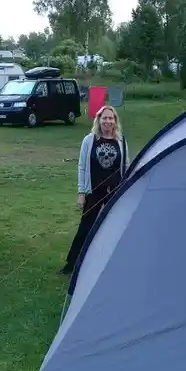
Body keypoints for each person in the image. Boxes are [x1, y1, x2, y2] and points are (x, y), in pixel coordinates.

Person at [59, 104, 128, 275]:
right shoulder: (89, 140)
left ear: (115, 121)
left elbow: (126, 166)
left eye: (111, 118)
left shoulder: (121, 141)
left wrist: (126, 190)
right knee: (85, 228)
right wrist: (81, 192)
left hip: (114, 192)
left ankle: (110, 262)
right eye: (104, 118)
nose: (107, 121)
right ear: (98, 120)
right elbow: (82, 167)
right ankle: (72, 264)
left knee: (113, 228)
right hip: (94, 192)